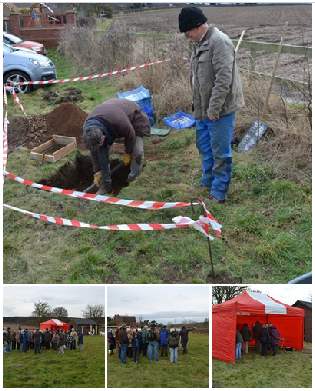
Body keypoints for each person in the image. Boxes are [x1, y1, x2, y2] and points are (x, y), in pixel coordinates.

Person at [178, 6, 244, 204]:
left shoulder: (219, 42)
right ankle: (207, 182)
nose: (187, 36)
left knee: (220, 151)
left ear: (197, 26)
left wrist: (213, 109)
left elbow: (224, 80)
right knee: (204, 147)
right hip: (203, 110)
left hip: (219, 111)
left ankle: (218, 193)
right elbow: (199, 79)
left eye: (187, 32)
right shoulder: (200, 44)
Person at [82, 98, 151, 195]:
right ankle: (106, 185)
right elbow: (94, 151)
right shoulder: (88, 130)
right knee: (101, 155)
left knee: (137, 152)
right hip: (110, 118)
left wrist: (128, 153)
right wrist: (97, 171)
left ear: (103, 137)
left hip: (134, 119)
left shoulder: (119, 122)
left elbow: (130, 135)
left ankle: (133, 179)